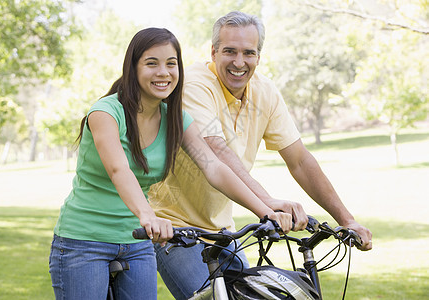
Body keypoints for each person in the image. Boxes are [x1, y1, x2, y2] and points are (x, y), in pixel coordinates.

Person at [49, 27, 292, 300]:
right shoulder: (105, 113)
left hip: (137, 242)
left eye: (171, 64)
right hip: (84, 241)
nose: (163, 72)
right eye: (152, 63)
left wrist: (264, 210)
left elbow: (214, 167)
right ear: (133, 68)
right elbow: (119, 170)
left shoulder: (176, 119)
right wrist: (148, 216)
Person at [148, 11, 373, 300]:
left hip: (222, 232)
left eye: (248, 53)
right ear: (213, 52)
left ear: (259, 55)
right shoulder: (194, 84)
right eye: (229, 51)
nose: (239, 62)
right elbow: (216, 153)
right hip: (174, 230)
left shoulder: (265, 91)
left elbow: (300, 160)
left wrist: (346, 219)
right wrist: (266, 204)